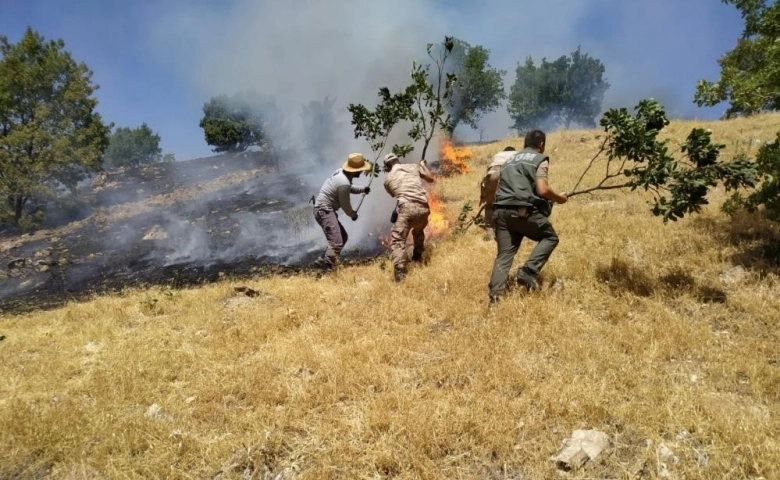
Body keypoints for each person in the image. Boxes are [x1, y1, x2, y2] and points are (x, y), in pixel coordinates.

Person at [488, 130, 568, 304]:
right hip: (522, 212)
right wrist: (560, 198)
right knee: (550, 237)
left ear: (525, 143)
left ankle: (495, 299)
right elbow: (543, 189)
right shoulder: (539, 159)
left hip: (500, 212)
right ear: (541, 144)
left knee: (504, 255)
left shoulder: (509, 161)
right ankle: (528, 271)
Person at [311, 153, 372, 271]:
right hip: (324, 211)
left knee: (343, 237)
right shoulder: (343, 182)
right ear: (354, 170)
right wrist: (352, 214)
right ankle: (327, 269)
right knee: (336, 242)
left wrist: (362, 189)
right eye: (360, 170)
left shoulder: (341, 173)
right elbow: (345, 204)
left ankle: (322, 260)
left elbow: (349, 188)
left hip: (323, 210)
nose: (361, 172)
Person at [382, 153, 435, 282]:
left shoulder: (387, 180)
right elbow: (430, 178)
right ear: (398, 160)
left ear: (387, 166)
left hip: (406, 209)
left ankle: (400, 271)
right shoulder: (413, 167)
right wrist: (422, 165)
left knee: (398, 239)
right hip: (424, 208)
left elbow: (396, 194)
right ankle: (417, 255)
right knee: (418, 230)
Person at [479, 146, 517, 241]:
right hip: (509, 174)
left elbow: (486, 176)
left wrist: (483, 197)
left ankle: (490, 233)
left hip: (493, 174)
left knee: (490, 205)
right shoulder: (517, 154)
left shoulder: (497, 155)